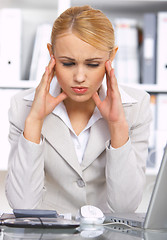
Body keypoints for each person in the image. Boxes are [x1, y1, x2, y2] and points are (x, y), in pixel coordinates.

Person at [6, 5, 152, 216]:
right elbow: (22, 205)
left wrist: (118, 125)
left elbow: (125, 207)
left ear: (111, 58)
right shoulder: (23, 106)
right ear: (51, 55)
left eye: (93, 64)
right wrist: (35, 121)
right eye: (68, 63)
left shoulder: (137, 106)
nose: (80, 77)